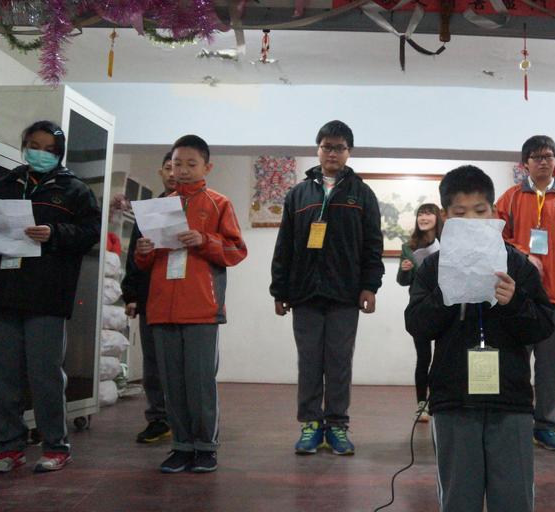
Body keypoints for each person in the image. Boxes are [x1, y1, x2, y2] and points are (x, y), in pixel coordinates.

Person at [406, 165, 554, 512]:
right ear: (445, 216)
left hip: (511, 400)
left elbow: (543, 327)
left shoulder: (517, 265)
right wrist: (445, 295)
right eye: (460, 213)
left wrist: (514, 302)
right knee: (459, 498)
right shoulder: (433, 268)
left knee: (514, 499)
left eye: (480, 210)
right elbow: (417, 325)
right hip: (453, 400)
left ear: (494, 212)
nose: (471, 220)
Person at [0, 120, 100, 473]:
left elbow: (90, 232)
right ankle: (9, 448)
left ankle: (56, 446)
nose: (40, 153)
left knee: (45, 374)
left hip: (46, 295)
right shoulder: (4, 185)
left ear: (59, 153)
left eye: (49, 149)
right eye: (34, 146)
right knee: (3, 376)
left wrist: (54, 232)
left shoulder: (74, 190)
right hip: (1, 292)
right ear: (25, 146)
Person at [270, 120, 385, 456]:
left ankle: (336, 425)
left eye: (339, 147)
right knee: (308, 362)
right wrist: (280, 291)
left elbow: (373, 245)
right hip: (304, 293)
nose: (332, 153)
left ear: (349, 152)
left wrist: (370, 286)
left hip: (345, 295)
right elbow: (285, 246)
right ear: (318, 150)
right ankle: (310, 424)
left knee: (338, 362)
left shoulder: (362, 194)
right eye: (326, 147)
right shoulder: (298, 194)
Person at [134, 135, 247, 473]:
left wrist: (204, 240)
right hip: (161, 307)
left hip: (201, 308)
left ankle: (206, 447)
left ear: (207, 167)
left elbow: (236, 251)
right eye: (176, 164)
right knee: (171, 383)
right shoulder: (159, 206)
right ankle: (181, 446)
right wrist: (143, 252)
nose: (182, 170)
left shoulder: (218, 203)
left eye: (190, 164)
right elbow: (146, 262)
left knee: (200, 382)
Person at [495, 135, 555, 450]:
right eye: (536, 157)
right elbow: (496, 239)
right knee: (516, 363)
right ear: (525, 163)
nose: (543, 162)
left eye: (548, 156)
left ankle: (546, 426)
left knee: (550, 368)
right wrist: (524, 254)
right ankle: (517, 421)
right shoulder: (510, 198)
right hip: (519, 297)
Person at [122, 151, 176, 444]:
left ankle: (187, 418)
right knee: (153, 363)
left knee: (183, 363)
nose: (174, 172)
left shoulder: (200, 205)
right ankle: (158, 418)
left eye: (181, 166)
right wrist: (131, 294)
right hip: (151, 296)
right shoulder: (150, 210)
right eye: (168, 167)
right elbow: (135, 252)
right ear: (161, 172)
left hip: (185, 296)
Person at [396, 203, 443, 421]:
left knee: (443, 357)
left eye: (428, 214)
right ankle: (421, 404)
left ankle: (439, 401)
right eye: (420, 214)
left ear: (437, 217)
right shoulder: (409, 246)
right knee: (423, 357)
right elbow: (402, 281)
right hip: (420, 306)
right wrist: (404, 270)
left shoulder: (446, 243)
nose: (423, 218)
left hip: (443, 304)